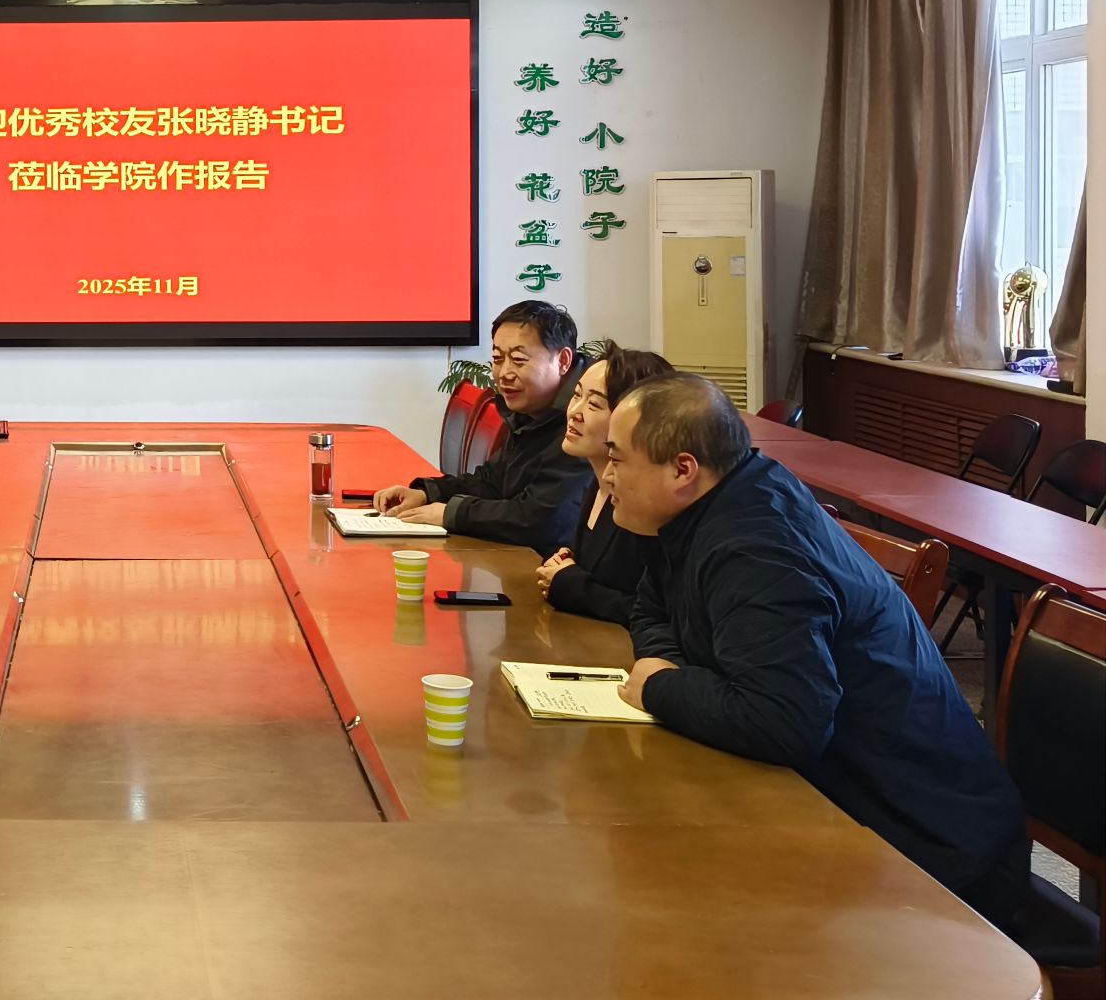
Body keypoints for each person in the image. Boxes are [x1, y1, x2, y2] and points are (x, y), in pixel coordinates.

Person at [606, 373, 1028, 926]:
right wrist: (662, 664)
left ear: (683, 470)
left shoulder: (757, 544)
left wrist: (660, 686)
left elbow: (783, 722)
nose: (606, 475)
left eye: (617, 459)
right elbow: (650, 609)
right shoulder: (706, 507)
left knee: (665, 903)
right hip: (840, 802)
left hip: (927, 850)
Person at [372, 300, 594, 551]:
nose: (504, 373)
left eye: (518, 360)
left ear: (563, 360)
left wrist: (451, 513)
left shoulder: (584, 421)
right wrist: (427, 493)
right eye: (498, 358)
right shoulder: (532, 409)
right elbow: (491, 481)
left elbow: (539, 520)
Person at [533, 341, 674, 624]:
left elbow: (657, 614)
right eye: (576, 395)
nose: (574, 412)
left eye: (594, 404)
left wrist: (572, 585)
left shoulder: (646, 505)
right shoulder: (597, 482)